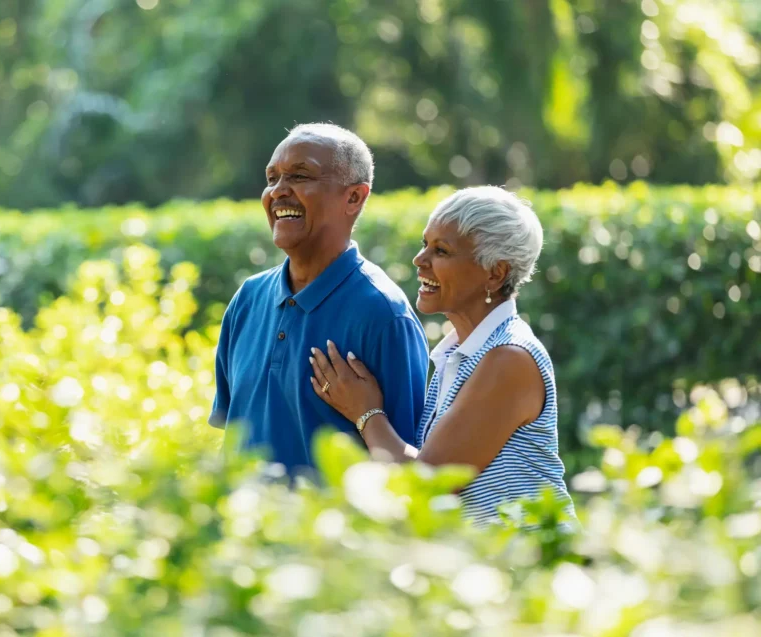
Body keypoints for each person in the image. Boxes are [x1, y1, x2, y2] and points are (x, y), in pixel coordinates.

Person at [308, 186, 577, 525]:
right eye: (425, 245)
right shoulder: (460, 354)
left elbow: (428, 485)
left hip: (531, 565)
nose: (420, 261)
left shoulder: (509, 358)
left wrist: (366, 412)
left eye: (441, 251)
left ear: (495, 273)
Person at [209, 123, 429, 478]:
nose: (278, 191)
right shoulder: (248, 299)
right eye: (272, 178)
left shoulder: (384, 315)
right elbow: (230, 439)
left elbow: (404, 471)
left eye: (299, 175)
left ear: (354, 197)